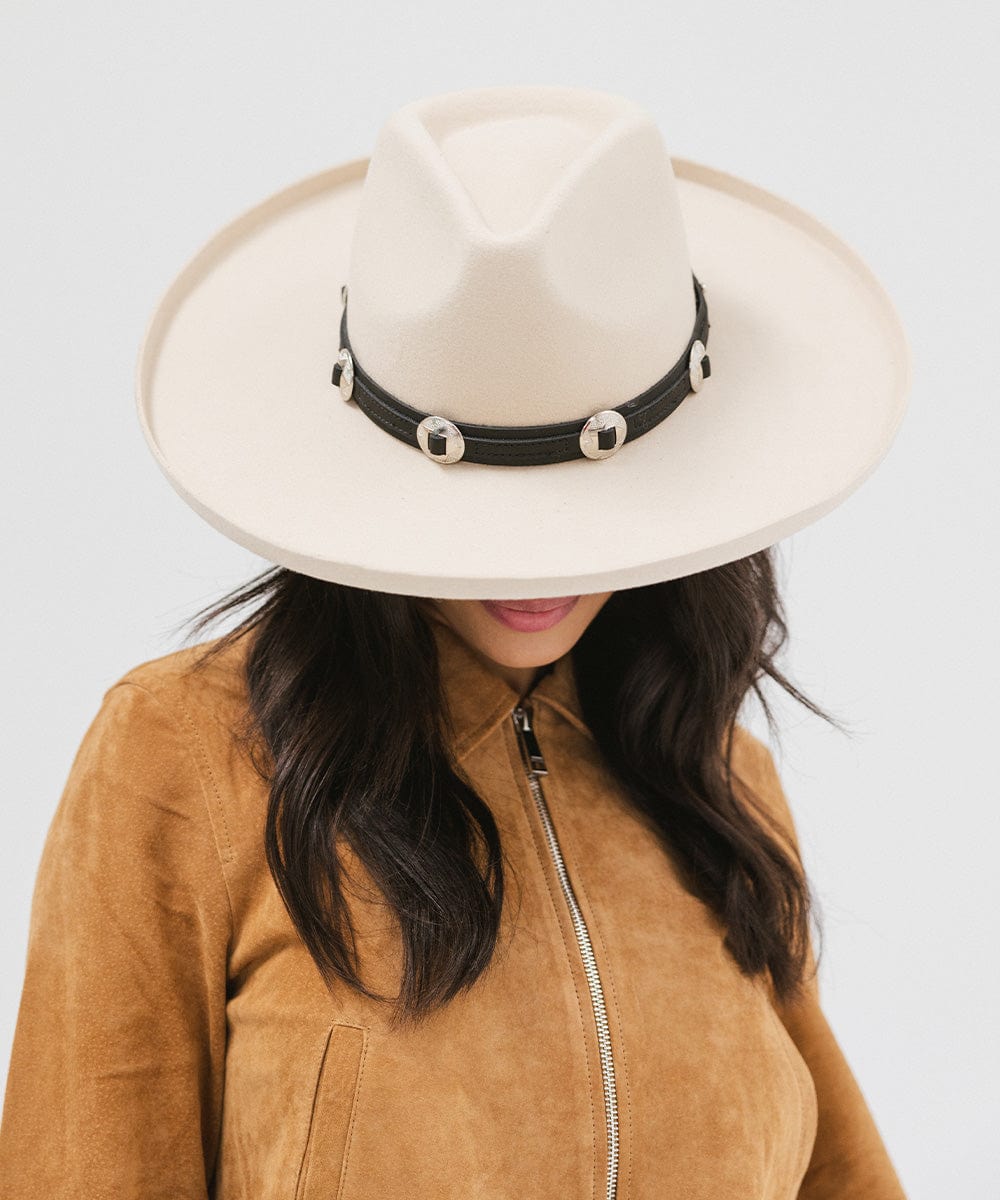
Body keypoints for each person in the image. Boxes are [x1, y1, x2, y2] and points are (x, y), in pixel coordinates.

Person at [0, 85, 911, 1198]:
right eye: (483, 501)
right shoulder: (184, 754)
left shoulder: (714, 777)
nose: (540, 572)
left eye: (588, 506)